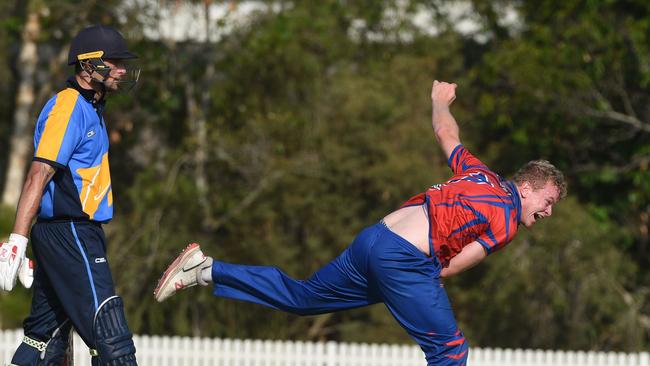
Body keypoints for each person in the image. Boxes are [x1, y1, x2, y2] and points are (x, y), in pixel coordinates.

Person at [153, 81, 567, 366]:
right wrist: (421, 286)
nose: (548, 213)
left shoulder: (477, 173)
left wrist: (440, 99)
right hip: (402, 260)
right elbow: (455, 266)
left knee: (302, 298)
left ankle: (205, 269)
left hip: (373, 240)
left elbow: (446, 132)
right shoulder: (508, 217)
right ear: (527, 187)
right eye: (548, 202)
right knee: (451, 351)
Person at [0, 25, 140, 366]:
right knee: (111, 339)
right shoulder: (68, 107)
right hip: (72, 233)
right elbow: (39, 172)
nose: (121, 69)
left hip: (68, 234)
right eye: (114, 61)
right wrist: (16, 241)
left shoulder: (92, 108)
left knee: (43, 340)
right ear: (88, 65)